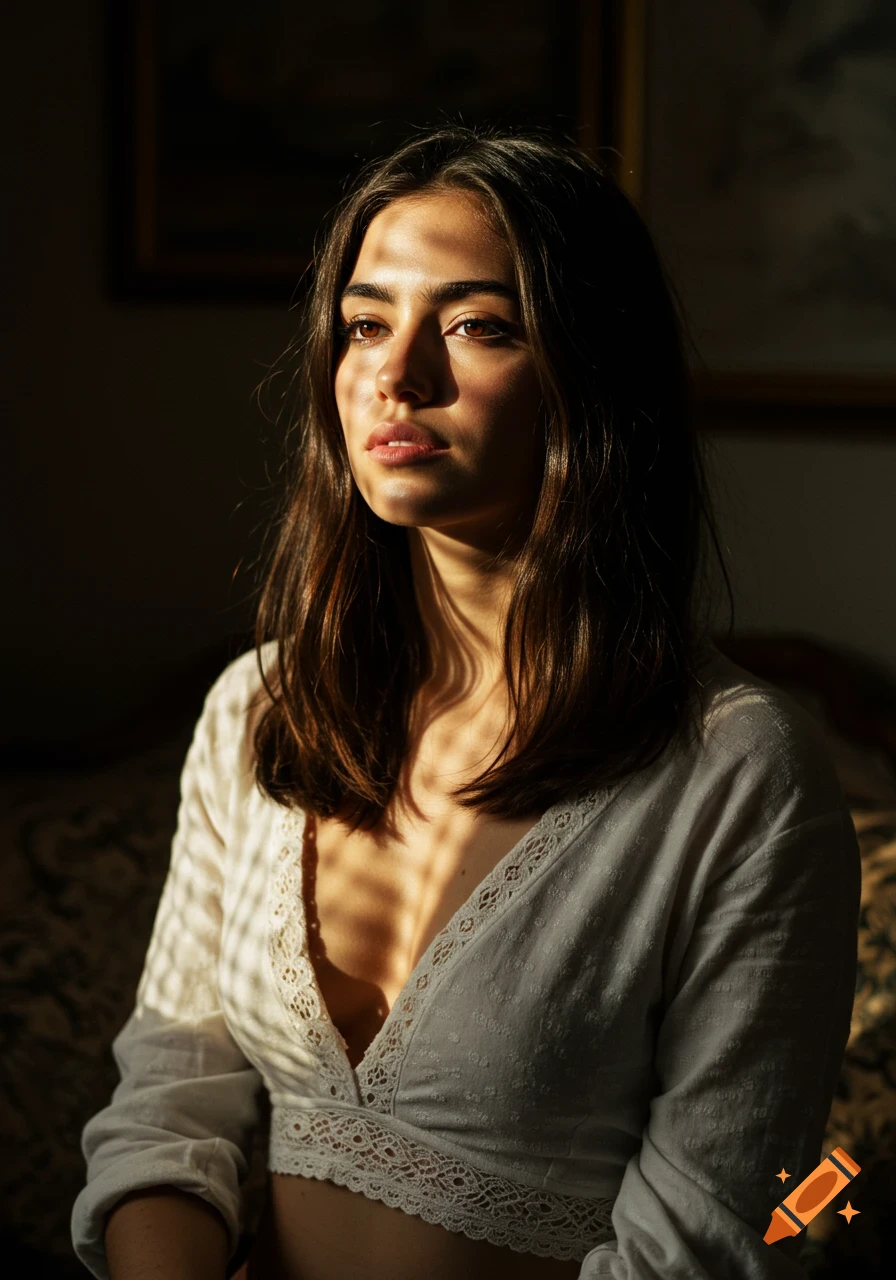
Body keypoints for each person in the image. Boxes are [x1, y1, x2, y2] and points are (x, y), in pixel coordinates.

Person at [71, 123, 860, 1280]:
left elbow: (710, 1236)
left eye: (475, 325)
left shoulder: (739, 776)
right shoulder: (263, 708)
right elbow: (168, 1102)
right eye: (365, 323)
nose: (398, 375)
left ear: (589, 369)